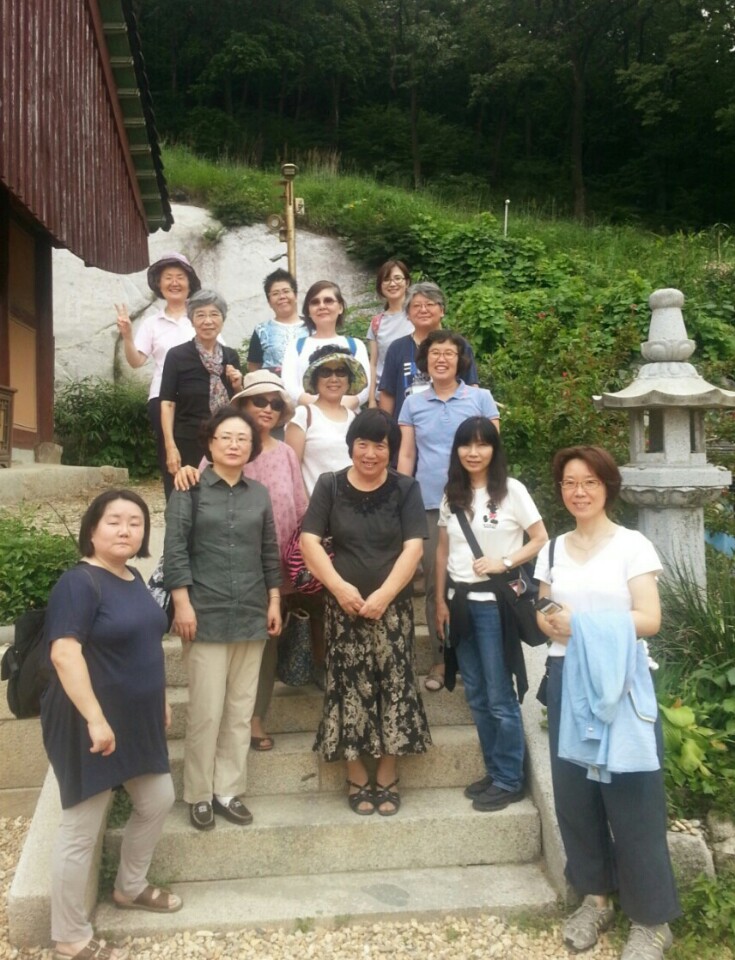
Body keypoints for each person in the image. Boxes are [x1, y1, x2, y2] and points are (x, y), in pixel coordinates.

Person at [535, 446, 680, 960]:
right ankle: (595, 899)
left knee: (634, 796)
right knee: (575, 796)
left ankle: (652, 920)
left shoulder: (632, 546)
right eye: (570, 483)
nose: (579, 492)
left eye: (590, 482)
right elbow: (544, 611)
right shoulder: (552, 549)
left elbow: (649, 618)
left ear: (607, 487)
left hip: (621, 681)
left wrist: (580, 625)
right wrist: (549, 620)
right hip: (566, 676)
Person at [42, 490, 179, 960]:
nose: (125, 530)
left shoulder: (132, 576)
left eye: (135, 523)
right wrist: (96, 719)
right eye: (114, 521)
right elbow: (64, 653)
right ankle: (69, 937)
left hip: (136, 719)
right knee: (81, 828)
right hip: (89, 721)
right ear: (92, 528)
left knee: (158, 798)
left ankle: (129, 886)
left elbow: (145, 644)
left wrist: (159, 699)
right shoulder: (78, 584)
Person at [300, 409, 431, 817]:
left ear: (391, 450)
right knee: (348, 686)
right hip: (344, 608)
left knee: (395, 683)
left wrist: (385, 596)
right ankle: (355, 771)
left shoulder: (406, 488)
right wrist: (339, 588)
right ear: (351, 445)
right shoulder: (330, 484)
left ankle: (388, 771)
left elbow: (414, 547)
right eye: (363, 444)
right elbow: (308, 541)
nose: (370, 453)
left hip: (393, 608)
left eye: (380, 445)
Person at [173, 370, 307, 751]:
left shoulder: (286, 455)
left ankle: (255, 718)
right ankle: (221, 720)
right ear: (243, 405)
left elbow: (301, 507)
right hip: (221, 570)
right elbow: (197, 491)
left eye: (275, 403)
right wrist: (185, 470)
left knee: (265, 646)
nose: (267, 408)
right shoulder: (223, 448)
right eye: (259, 400)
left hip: (273, 568)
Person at [164, 407, 282, 831]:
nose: (234, 445)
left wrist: (274, 600)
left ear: (252, 448)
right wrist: (182, 602)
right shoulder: (189, 488)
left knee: (239, 710)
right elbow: (175, 549)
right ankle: (198, 793)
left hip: (251, 613)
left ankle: (228, 790)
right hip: (205, 614)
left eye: (243, 439)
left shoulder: (259, 494)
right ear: (210, 443)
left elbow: (269, 551)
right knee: (206, 712)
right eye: (226, 437)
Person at [435, 417, 548, 811]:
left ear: (494, 450)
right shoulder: (452, 495)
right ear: (457, 450)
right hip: (459, 604)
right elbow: (443, 552)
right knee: (477, 693)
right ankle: (495, 770)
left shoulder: (511, 491)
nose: (474, 452)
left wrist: (506, 561)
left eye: (482, 444)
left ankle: (509, 779)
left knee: (500, 694)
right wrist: (439, 601)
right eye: (466, 445)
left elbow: (540, 538)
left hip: (493, 608)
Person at [398, 329, 500, 693]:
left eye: (449, 353)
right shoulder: (413, 403)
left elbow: (494, 450)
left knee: (480, 579)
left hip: (475, 502)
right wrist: (401, 498)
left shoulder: (481, 398)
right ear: (424, 361)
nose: (441, 359)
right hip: (428, 503)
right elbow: (407, 454)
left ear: (461, 360)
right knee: (435, 585)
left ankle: (481, 660)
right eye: (435, 353)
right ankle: (441, 660)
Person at [116, 252, 202, 498]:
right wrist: (127, 336)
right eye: (168, 277)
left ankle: (201, 511)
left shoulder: (200, 318)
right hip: (161, 398)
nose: (174, 282)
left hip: (197, 399)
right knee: (170, 456)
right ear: (159, 284)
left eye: (180, 277)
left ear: (189, 283)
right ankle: (175, 510)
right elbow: (136, 361)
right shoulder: (152, 323)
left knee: (200, 454)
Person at [159, 289, 243, 483]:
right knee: (187, 494)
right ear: (192, 320)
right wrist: (170, 447)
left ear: (222, 319)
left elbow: (237, 406)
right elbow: (167, 403)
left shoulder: (231, 356)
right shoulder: (177, 355)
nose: (208, 321)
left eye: (214, 314)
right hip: (188, 441)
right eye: (200, 315)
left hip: (224, 441)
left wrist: (238, 386)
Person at [378, 281, 480, 421]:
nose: (423, 310)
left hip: (452, 424)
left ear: (442, 310)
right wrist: (385, 427)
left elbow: (471, 387)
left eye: (430, 304)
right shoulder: (397, 348)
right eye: (416, 306)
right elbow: (388, 393)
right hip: (407, 426)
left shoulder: (459, 345)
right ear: (407, 314)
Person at [285, 344, 367, 496]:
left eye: (341, 372)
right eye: (325, 372)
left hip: (353, 505)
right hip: (315, 506)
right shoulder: (303, 416)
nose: (334, 379)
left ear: (349, 379)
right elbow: (291, 470)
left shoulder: (357, 420)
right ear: (315, 379)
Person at [281, 279, 371, 408]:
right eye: (315, 302)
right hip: (307, 417)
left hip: (348, 417)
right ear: (308, 311)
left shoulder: (355, 345)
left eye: (328, 301)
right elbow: (289, 386)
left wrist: (338, 410)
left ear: (340, 308)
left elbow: (364, 387)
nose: (322, 306)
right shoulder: (295, 346)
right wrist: (321, 409)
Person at [367, 260, 413, 408]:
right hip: (385, 397)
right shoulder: (376, 322)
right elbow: (374, 364)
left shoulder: (419, 315)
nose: (392, 284)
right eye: (386, 279)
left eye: (397, 278)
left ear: (407, 282)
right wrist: (372, 400)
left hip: (416, 393)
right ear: (380, 286)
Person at [246, 269, 308, 375]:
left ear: (295, 295)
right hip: (273, 385)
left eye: (286, 291)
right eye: (275, 293)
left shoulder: (313, 326)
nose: (282, 297)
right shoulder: (261, 330)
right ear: (269, 301)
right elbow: (253, 366)